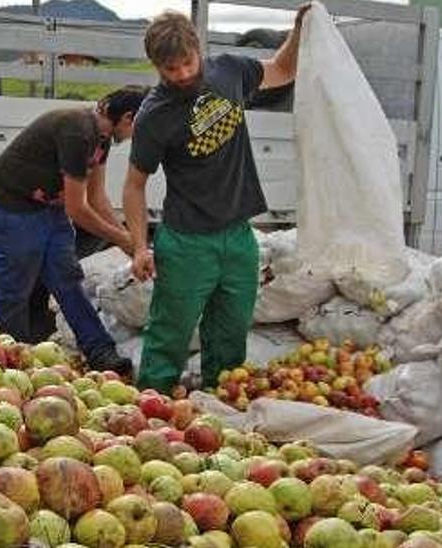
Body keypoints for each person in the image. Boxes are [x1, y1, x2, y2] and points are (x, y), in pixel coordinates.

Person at [122, 7, 308, 390]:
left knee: (231, 334)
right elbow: (134, 185)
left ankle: (221, 408)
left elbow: (283, 69)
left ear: (198, 47)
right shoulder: (153, 115)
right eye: (171, 70)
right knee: (170, 335)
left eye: (188, 63)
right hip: (186, 241)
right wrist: (140, 246)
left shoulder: (229, 71)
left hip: (239, 236)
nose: (183, 75)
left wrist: (298, 30)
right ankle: (151, 409)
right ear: (157, 66)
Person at [0, 86, 148, 374]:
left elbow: (97, 199)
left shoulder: (101, 141)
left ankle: (101, 351)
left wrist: (133, 242)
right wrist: (121, 239)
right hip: (12, 205)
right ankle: (12, 362)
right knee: (15, 285)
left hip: (48, 207)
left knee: (67, 278)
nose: (138, 136)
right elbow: (77, 209)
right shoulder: (77, 130)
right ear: (129, 118)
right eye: (141, 127)